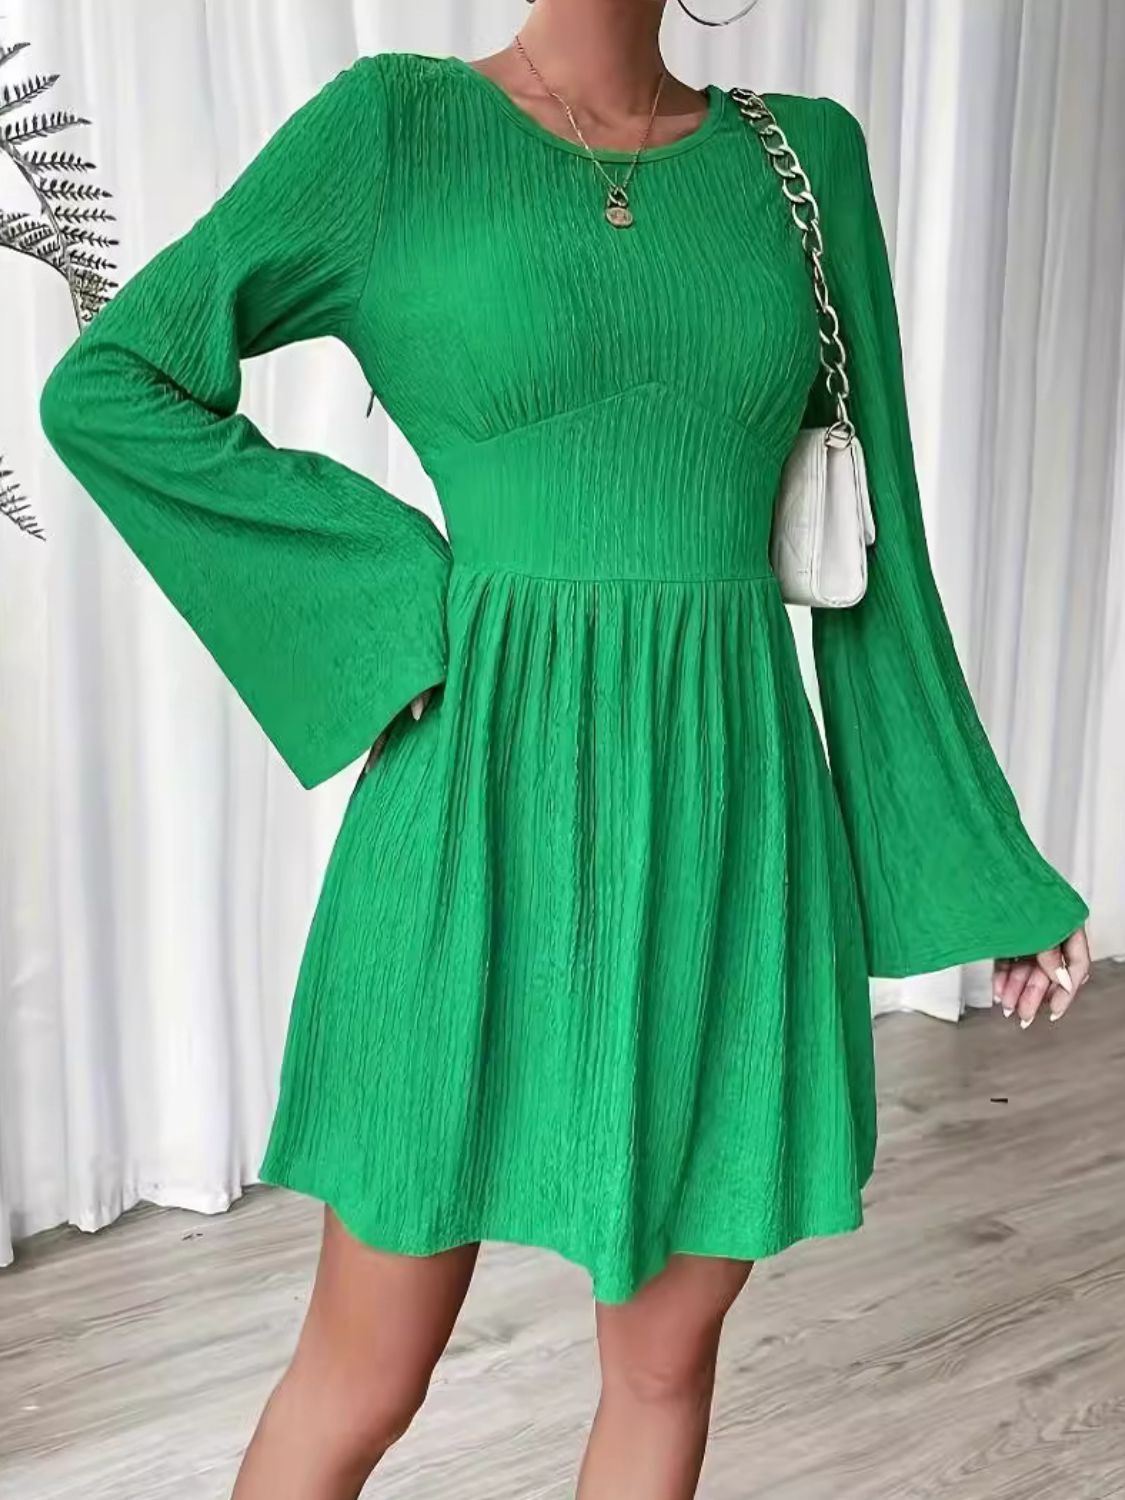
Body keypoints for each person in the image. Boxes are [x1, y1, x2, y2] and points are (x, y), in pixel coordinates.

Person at [38, 1, 1091, 1496]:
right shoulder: (395, 131)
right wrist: (384, 605)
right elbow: (112, 385)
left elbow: (885, 557)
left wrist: (982, 867)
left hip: (729, 834)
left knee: (661, 1370)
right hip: (467, 822)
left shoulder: (803, 162)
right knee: (362, 1379)